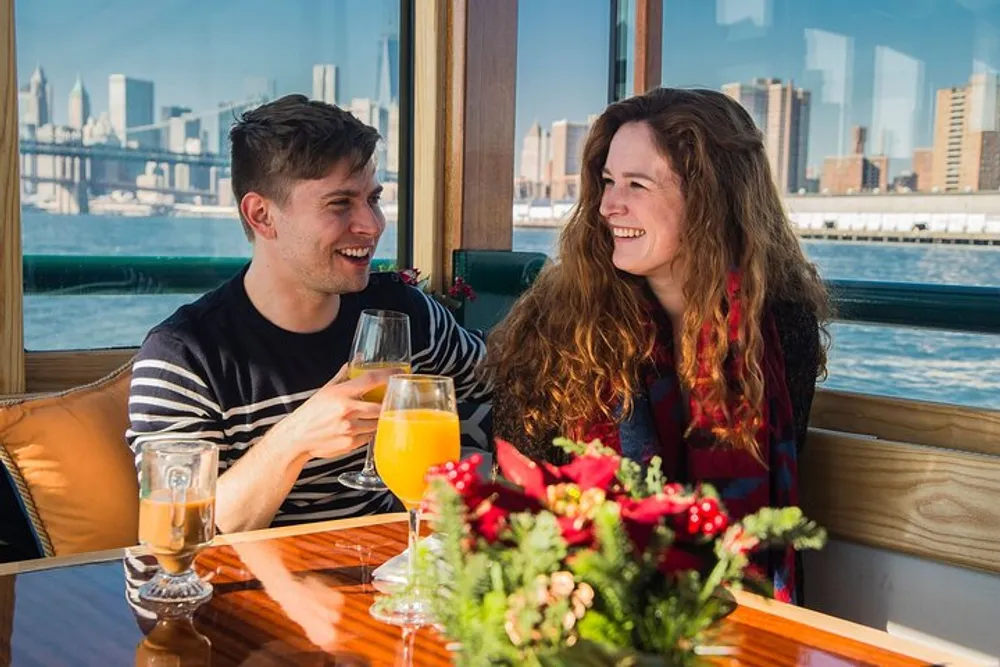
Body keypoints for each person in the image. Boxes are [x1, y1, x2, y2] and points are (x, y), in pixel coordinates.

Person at [487, 87, 829, 603]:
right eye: (606, 182)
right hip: (577, 607)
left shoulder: (778, 328)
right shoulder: (555, 325)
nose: (607, 205)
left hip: (732, 608)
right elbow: (521, 493)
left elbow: (768, 506)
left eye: (637, 185)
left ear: (710, 198)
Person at [125, 94, 491, 534]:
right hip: (250, 592)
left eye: (372, 199)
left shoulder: (405, 314)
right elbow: (178, 535)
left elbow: (506, 380)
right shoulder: (183, 358)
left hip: (390, 578)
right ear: (262, 215)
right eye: (340, 204)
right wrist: (296, 439)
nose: (372, 225)